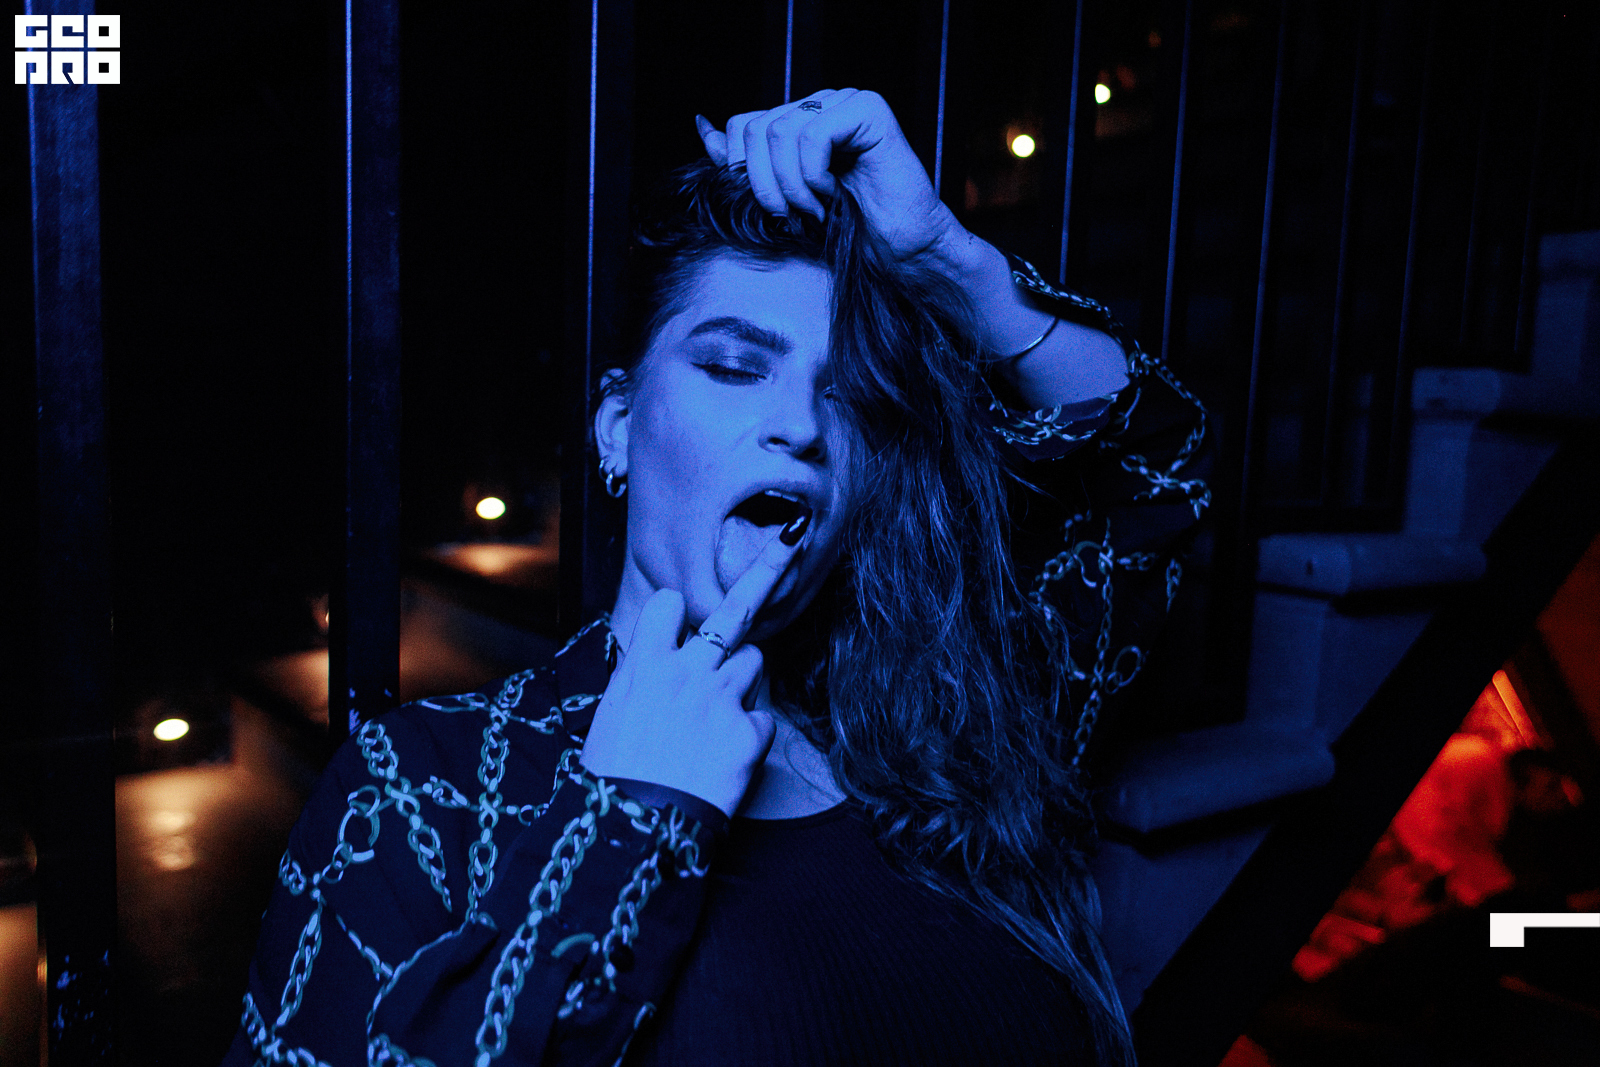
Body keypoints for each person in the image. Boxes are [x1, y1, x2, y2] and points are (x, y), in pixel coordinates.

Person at [224, 89, 1208, 1067]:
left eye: (848, 395)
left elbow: (1156, 475)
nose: (803, 426)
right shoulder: (425, 789)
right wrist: (634, 816)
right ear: (618, 427)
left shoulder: (943, 728)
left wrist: (948, 260)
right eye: (736, 367)